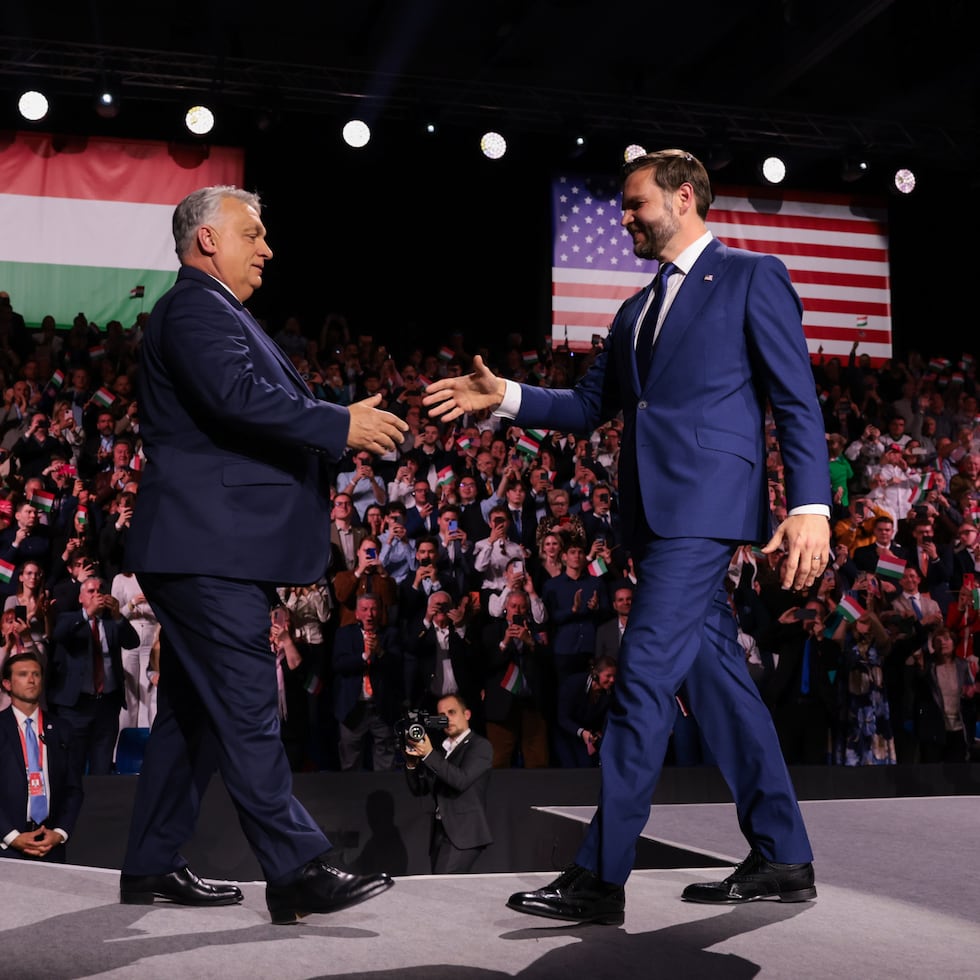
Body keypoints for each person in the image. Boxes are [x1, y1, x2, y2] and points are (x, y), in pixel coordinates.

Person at [424, 149, 830, 922]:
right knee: (718, 684)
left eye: (635, 203)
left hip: (707, 513)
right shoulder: (634, 311)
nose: (625, 217)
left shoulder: (751, 276)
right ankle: (782, 854)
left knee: (641, 676)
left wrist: (811, 505)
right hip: (648, 522)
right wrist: (504, 395)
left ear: (683, 198)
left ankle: (601, 875)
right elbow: (586, 407)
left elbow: (797, 400)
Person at [118, 186, 405, 922]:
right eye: (255, 234)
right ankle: (298, 867)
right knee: (247, 707)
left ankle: (151, 865)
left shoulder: (219, 312)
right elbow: (236, 398)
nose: (268, 249)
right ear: (208, 240)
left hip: (206, 542)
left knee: (197, 712)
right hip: (205, 544)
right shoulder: (193, 308)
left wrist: (335, 425)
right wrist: (338, 422)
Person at [0, 652, 83, 863]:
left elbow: (73, 789)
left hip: (50, 845)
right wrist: (12, 837)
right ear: (7, 684)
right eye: (23, 674)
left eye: (36, 674)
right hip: (6, 848)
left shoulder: (62, 730)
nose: (31, 679)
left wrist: (60, 832)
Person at [403, 692, 493, 874]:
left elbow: (460, 780)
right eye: (441, 716)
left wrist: (428, 754)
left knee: (441, 890)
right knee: (443, 890)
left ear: (466, 715)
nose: (447, 719)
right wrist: (411, 764)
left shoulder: (480, 746)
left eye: (452, 713)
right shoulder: (442, 751)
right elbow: (419, 789)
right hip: (441, 831)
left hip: (463, 833)